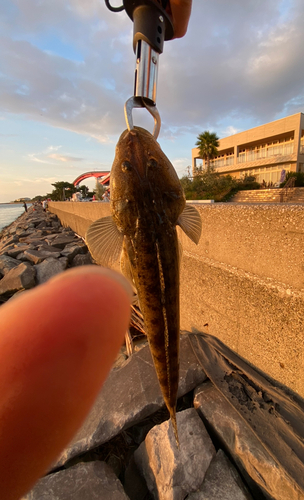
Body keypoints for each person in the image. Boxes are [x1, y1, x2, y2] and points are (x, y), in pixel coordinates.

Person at [0, 3, 192, 499]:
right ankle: (170, 407)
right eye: (135, 169)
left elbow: (105, 242)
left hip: (143, 244)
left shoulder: (122, 222)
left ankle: (171, 404)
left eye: (136, 169)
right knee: (162, 327)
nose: (133, 154)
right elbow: (187, 218)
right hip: (157, 247)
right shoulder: (176, 207)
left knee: (162, 331)